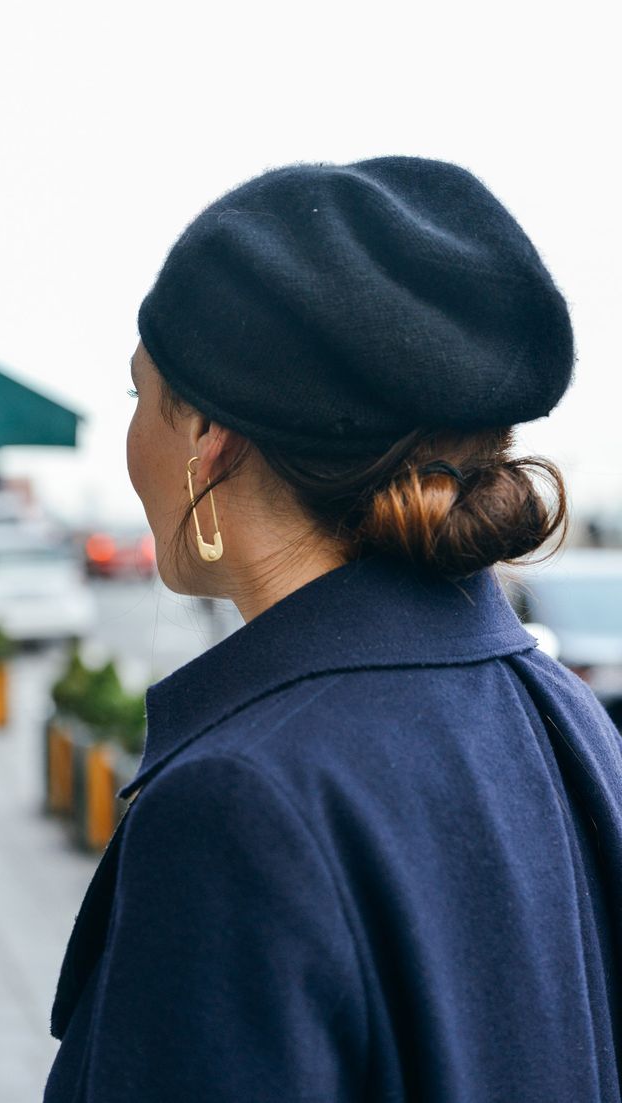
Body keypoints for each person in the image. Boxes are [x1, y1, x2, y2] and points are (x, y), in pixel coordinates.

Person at [44, 156, 622, 1102]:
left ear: (209, 437)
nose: (133, 438)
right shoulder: (569, 718)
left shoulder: (239, 806)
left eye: (139, 394)